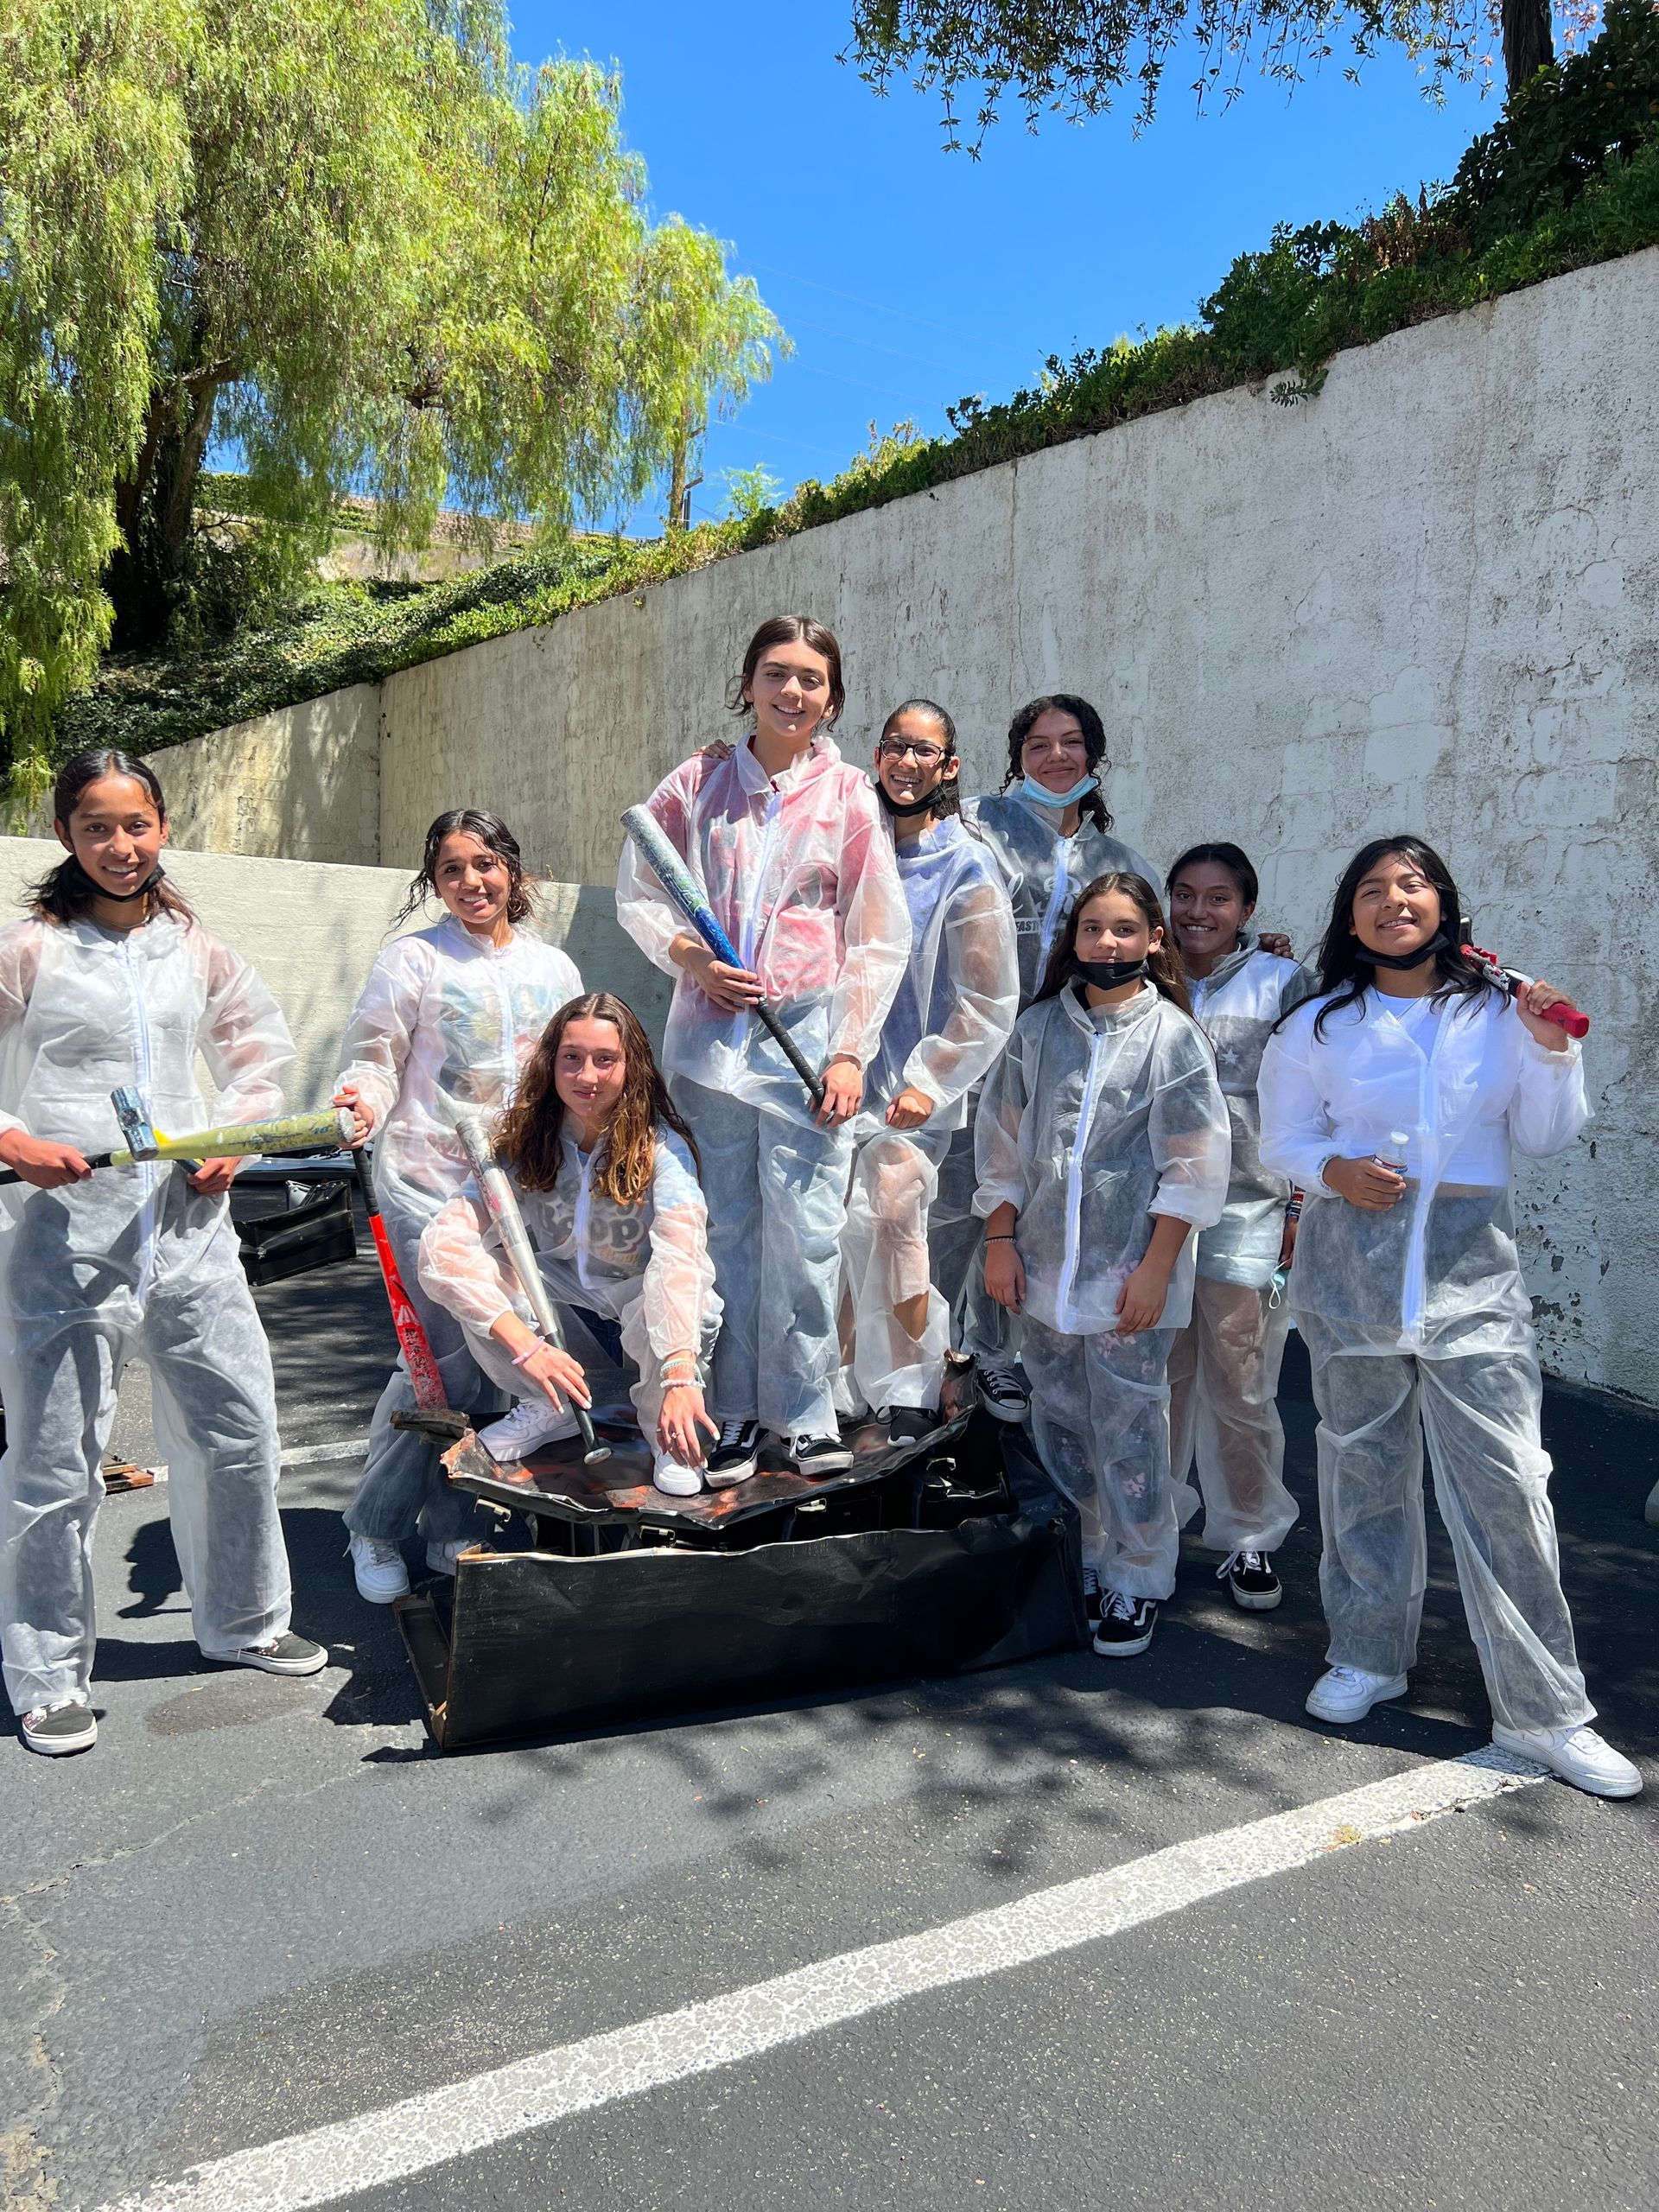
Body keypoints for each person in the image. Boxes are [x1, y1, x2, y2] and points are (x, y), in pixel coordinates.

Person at [1258, 836, 1640, 1799]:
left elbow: (1546, 1134)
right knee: (1362, 1475)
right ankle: (1367, 1654)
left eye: (1414, 883)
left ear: (1445, 907)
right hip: (1352, 1283)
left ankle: (1545, 1709)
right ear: (1349, 916)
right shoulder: (1317, 1026)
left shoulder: (1499, 1013)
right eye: (1373, 889)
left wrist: (1552, 1047)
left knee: (1509, 1484)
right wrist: (1331, 1171)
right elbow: (1280, 1138)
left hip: (1474, 1284)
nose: (1395, 900)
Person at [0, 749, 326, 1756]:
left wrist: (236, 1135)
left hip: (187, 1230)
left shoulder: (195, 948)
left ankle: (244, 1620)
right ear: (66, 834)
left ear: (163, 825)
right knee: (56, 1460)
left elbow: (259, 1057)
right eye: (97, 826)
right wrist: (13, 1140)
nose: (120, 845)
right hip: (66, 1236)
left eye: (135, 824)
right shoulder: (31, 951)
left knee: (237, 1427)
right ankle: (47, 1673)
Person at [616, 613, 909, 1481]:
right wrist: (691, 958)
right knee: (723, 1233)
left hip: (805, 1049)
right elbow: (641, 889)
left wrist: (850, 1051)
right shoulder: (698, 782)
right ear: (748, 682)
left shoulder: (850, 796)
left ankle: (805, 1411)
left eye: (812, 679)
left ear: (832, 699)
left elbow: (877, 934)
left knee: (809, 1237)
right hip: (709, 1050)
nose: (793, 691)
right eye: (777, 673)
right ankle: (736, 1411)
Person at [976, 872, 1230, 1656]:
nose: (1107, 943)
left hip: (1128, 1276)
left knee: (1131, 1426)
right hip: (1043, 1270)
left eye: (1124, 929)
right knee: (1060, 1417)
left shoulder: (1172, 1038)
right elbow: (1003, 1147)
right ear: (1074, 939)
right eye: (1092, 928)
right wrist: (1000, 1243)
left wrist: (1155, 1269)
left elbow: (1193, 1168)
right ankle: (1082, 1553)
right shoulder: (1038, 1031)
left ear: (1155, 939)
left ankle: (1139, 1572)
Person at [333, 810, 582, 1602]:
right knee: (436, 1366)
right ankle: (374, 1527)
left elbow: (570, 1075)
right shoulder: (415, 959)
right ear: (434, 882)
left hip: (514, 1193)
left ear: (512, 870)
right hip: (425, 1182)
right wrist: (361, 1101)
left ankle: (451, 1522)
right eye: (451, 870)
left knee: (494, 1366)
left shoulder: (554, 969)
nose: (471, 882)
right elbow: (375, 1056)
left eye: (484, 864)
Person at [937, 696, 1158, 1426]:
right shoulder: (974, 825)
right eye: (1039, 744)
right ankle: (926, 1356)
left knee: (1022, 1215)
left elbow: (1163, 949)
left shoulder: (1118, 865)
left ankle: (994, 1355)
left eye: (1071, 743)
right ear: (1017, 757)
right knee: (944, 1214)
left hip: (1056, 1066)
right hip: (962, 1059)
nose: (1056, 757)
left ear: (1095, 755)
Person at [417, 994, 722, 1497]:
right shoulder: (522, 1143)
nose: (588, 1076)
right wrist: (526, 1349)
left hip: (640, 1315)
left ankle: (668, 1429)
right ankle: (548, 1404)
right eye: (572, 1058)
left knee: (696, 1303)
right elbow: (443, 1246)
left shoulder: (662, 1150)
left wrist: (679, 1376)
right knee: (479, 1271)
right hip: (561, 1313)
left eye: (606, 1060)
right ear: (551, 1063)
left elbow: (681, 1259)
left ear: (632, 1066)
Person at [839, 701, 1018, 1443]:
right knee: (837, 1240)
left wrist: (932, 1081)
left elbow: (987, 997)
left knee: (897, 1227)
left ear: (949, 766)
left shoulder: (964, 865)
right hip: (834, 1085)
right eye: (895, 746)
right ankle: (843, 1387)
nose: (906, 762)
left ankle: (912, 1382)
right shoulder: (860, 848)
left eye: (924, 750)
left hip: (905, 1097)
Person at [1164, 843, 1306, 1612]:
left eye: (1218, 898)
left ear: (1247, 909)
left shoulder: (1282, 983)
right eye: (1184, 894)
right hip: (1153, 1210)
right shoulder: (1145, 974)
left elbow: (1312, 1097)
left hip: (1247, 1206)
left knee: (1241, 1379)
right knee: (1155, 1377)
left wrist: (1298, 1206)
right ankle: (1148, 1522)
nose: (1199, 912)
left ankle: (1249, 1532)